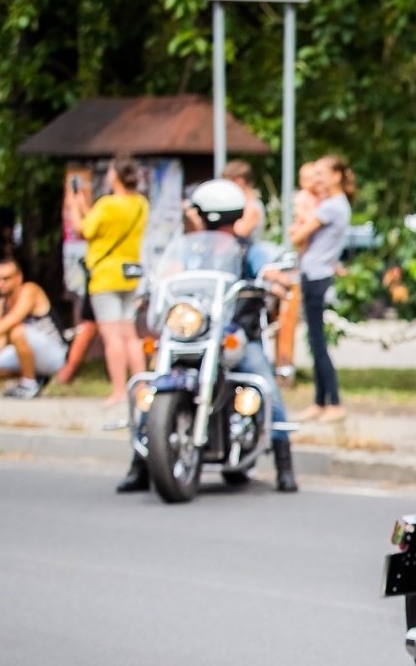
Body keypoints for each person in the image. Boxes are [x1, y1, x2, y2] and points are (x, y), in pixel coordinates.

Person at [116, 179, 298, 494]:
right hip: (193, 330)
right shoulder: (190, 248)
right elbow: (169, 272)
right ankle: (141, 464)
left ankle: (285, 463)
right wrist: (154, 285)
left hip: (233, 333)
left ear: (203, 213)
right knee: (157, 380)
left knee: (264, 385)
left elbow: (269, 271)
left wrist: (273, 279)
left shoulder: (248, 249)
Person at [64, 155, 148, 407]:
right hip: (128, 273)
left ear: (116, 176)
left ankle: (119, 391)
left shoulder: (108, 204)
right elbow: (101, 226)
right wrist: (83, 206)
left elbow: (84, 230)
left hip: (105, 275)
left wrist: (73, 205)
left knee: (112, 336)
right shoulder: (140, 203)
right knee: (130, 334)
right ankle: (141, 387)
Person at [289, 154, 353, 423]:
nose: (317, 180)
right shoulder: (335, 204)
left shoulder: (330, 207)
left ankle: (333, 403)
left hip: (316, 274)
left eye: (321, 174)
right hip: (316, 271)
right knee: (315, 342)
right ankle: (320, 401)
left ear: (336, 176)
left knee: (317, 342)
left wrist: (298, 225)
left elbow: (297, 237)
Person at [0, 261, 67, 397]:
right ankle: (33, 378)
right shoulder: (0, 304)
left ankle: (29, 385)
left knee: (17, 331)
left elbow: (13, 319)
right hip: (25, 351)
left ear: (18, 277)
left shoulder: (30, 290)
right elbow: (1, 339)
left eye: (5, 279)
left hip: (53, 354)